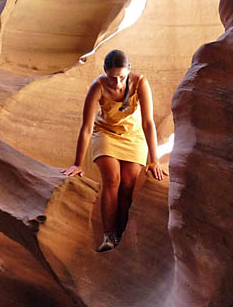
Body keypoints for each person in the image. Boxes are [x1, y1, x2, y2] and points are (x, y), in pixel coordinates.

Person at [61, 49, 167, 252]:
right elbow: (86, 127)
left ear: (129, 70)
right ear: (105, 73)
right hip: (106, 134)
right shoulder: (97, 87)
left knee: (128, 183)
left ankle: (122, 233)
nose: (117, 83)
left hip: (133, 136)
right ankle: (108, 236)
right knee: (112, 179)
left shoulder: (140, 83)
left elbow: (147, 122)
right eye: (112, 78)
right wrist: (77, 163)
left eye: (121, 77)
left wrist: (154, 159)